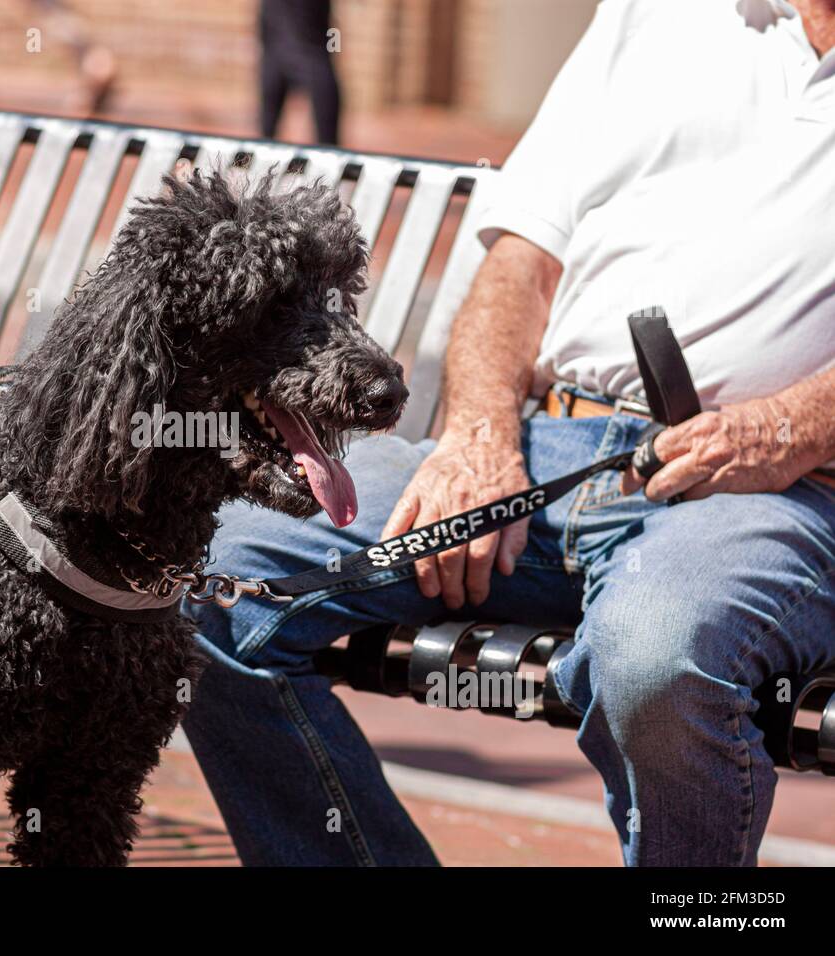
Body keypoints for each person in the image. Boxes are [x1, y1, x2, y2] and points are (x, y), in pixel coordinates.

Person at [183, 0, 835, 866]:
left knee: (653, 660)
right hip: (543, 452)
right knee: (204, 572)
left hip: (766, 493)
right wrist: (480, 439)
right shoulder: (660, 15)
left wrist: (790, 425)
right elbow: (519, 264)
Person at [259, 0, 341, 144]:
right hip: (275, 46)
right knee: (265, 137)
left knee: (328, 143)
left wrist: (334, 48)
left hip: (313, 48)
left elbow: (334, 36)